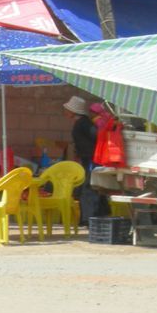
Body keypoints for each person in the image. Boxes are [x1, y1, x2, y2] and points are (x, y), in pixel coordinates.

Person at [63, 95, 106, 223]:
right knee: (89, 187)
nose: (65, 111)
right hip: (87, 159)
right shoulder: (82, 122)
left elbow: (97, 136)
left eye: (67, 109)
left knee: (89, 188)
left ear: (73, 111)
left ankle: (89, 219)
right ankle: (95, 216)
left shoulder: (84, 123)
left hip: (92, 160)